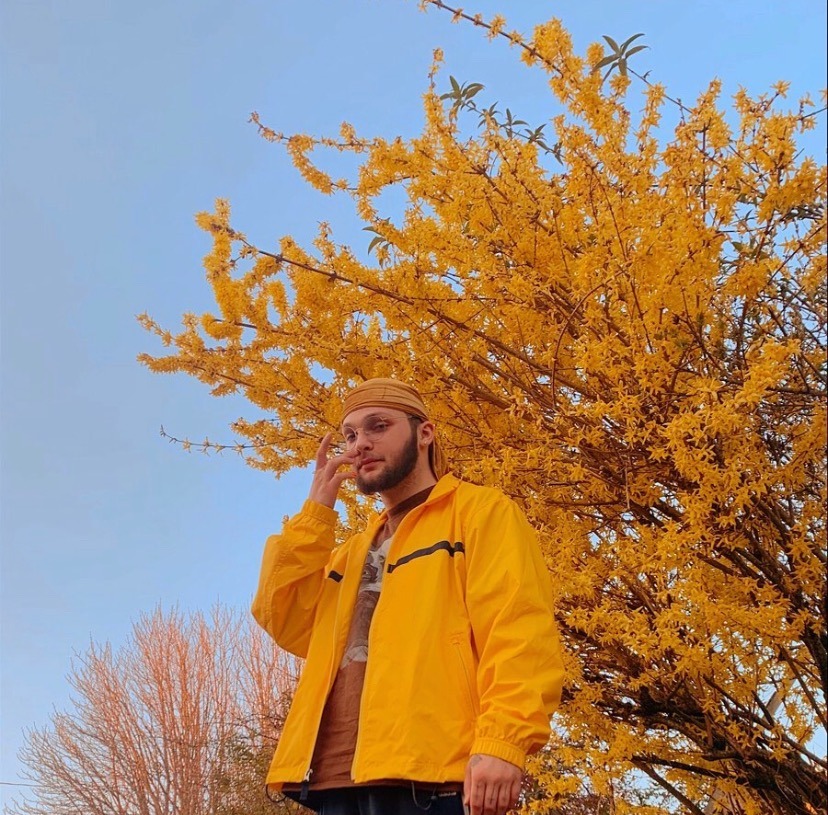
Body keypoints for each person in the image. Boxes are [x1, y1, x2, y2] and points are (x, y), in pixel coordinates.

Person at [252, 379, 565, 815]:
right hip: (334, 780)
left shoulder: (480, 513)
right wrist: (315, 515)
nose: (360, 444)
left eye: (378, 426)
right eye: (350, 435)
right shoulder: (350, 553)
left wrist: (503, 742)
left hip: (434, 779)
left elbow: (519, 631)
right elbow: (283, 618)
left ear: (425, 433)